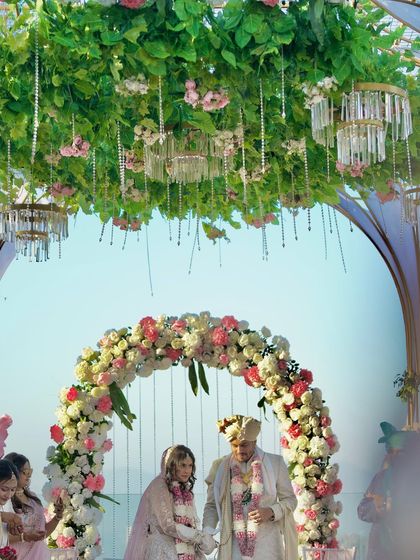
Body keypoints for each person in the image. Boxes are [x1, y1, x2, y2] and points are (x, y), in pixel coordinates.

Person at [203, 415, 298, 560]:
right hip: (233, 547)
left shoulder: (275, 463)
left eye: (244, 445)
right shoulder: (220, 468)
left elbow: (290, 500)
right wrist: (207, 533)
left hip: (269, 548)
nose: (240, 450)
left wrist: (271, 511)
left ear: (254, 442)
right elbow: (211, 506)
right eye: (235, 445)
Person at [124, 444, 217, 560]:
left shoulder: (185, 490)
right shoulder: (159, 486)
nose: (187, 471)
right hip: (162, 551)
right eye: (182, 465)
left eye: (190, 466)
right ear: (172, 465)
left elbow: (190, 523)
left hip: (186, 548)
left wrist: (203, 541)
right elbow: (167, 525)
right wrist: (198, 537)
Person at [357, 422, 420, 560]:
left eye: (401, 452)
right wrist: (378, 507)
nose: (395, 456)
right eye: (392, 451)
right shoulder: (381, 478)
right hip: (380, 551)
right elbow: (362, 509)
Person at [4, 453, 64, 559]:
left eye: (30, 472)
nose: (29, 475)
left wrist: (57, 517)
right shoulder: (4, 500)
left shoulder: (33, 498)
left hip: (40, 555)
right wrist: (24, 537)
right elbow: (2, 537)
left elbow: (43, 532)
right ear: (14, 473)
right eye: (25, 472)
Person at [0, 459, 22, 547]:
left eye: (13, 489)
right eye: (4, 489)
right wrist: (2, 516)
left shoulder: (7, 503)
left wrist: (11, 528)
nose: (9, 495)